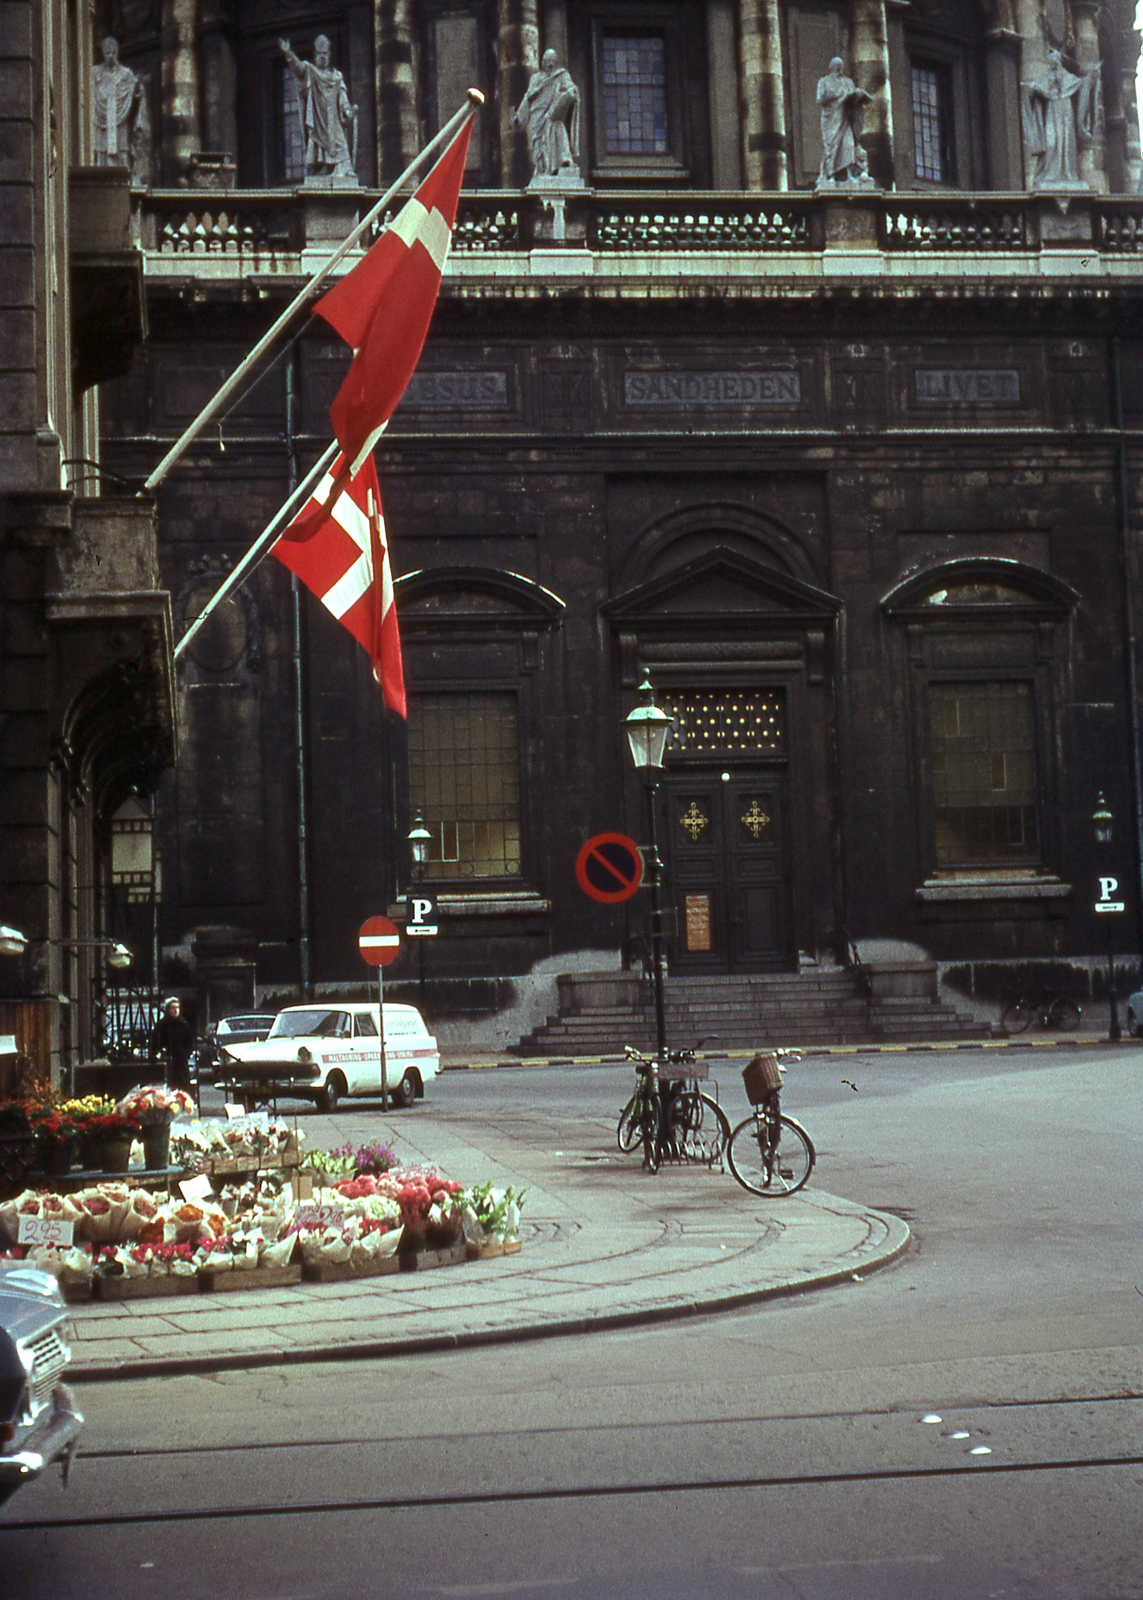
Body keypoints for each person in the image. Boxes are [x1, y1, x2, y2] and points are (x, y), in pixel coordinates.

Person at [279, 35, 357, 180]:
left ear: (329, 55)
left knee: (339, 142)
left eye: (325, 53)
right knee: (317, 143)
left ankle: (344, 168)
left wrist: (347, 110)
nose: (322, 56)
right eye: (320, 54)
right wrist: (289, 53)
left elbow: (342, 96)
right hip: (317, 117)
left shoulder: (337, 76)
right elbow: (298, 67)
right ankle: (322, 167)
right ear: (315, 55)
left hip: (333, 118)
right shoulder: (311, 71)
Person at [1021, 48, 1100, 189]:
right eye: (1052, 61)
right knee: (1051, 142)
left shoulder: (1067, 77)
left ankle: (1068, 173)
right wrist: (1032, 91)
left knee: (1066, 141)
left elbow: (1081, 85)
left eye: (1056, 61)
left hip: (1066, 111)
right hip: (1052, 110)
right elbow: (1033, 89)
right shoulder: (1045, 77)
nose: (1054, 64)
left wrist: (1090, 77)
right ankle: (1048, 174)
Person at [513, 49, 581, 181]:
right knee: (538, 142)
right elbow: (528, 98)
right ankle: (542, 169)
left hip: (552, 112)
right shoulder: (535, 78)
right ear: (542, 61)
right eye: (546, 61)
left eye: (551, 61)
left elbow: (571, 89)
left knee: (556, 130)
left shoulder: (561, 76)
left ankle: (560, 163)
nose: (548, 64)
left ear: (554, 62)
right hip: (536, 114)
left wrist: (570, 93)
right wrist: (519, 117)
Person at [816, 57, 873, 185]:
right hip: (831, 118)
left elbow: (852, 99)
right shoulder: (824, 81)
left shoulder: (848, 82)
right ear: (831, 66)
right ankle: (831, 176)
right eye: (836, 65)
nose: (838, 67)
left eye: (840, 65)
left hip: (845, 118)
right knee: (832, 147)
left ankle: (849, 175)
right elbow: (820, 99)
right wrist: (835, 95)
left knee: (848, 145)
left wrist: (857, 96)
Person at [92, 36, 144, 172]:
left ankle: (125, 176)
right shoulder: (95, 72)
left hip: (121, 119)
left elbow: (135, 94)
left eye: (112, 52)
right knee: (100, 152)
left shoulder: (125, 74)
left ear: (116, 53)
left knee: (122, 151)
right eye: (107, 53)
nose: (110, 56)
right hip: (100, 119)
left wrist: (137, 88)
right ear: (103, 53)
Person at [151, 997, 194, 1093]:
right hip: (167, 1063)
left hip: (181, 1061)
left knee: (184, 1087)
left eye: (177, 1007)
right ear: (167, 1009)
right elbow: (155, 1043)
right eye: (173, 1007)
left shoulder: (183, 1024)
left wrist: (185, 1053)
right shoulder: (161, 1026)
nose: (175, 1010)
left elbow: (190, 1042)